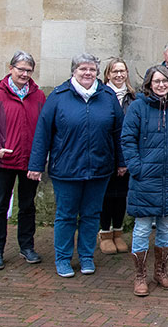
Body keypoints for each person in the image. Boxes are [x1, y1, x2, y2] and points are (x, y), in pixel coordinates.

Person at [28, 53, 124, 278]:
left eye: (92, 69)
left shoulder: (107, 96)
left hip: (99, 168)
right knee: (66, 215)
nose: (88, 73)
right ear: (74, 71)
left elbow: (119, 133)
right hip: (66, 169)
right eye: (83, 69)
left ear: (98, 72)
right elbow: (43, 132)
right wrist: (36, 164)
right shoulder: (59, 96)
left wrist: (122, 161)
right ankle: (62, 258)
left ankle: (87, 257)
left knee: (91, 215)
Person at [121, 66, 168, 296]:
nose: (161, 85)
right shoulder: (138, 107)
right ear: (149, 84)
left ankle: (161, 271)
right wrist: (136, 167)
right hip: (146, 178)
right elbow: (128, 140)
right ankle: (140, 275)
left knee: (165, 228)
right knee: (142, 229)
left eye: (165, 81)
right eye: (156, 81)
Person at [0, 51, 46, 270]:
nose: (24, 74)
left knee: (27, 207)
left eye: (28, 70)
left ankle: (27, 247)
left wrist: (39, 158)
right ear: (11, 68)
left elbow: (44, 130)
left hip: (29, 162)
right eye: (21, 69)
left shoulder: (39, 96)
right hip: (2, 162)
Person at [98, 58, 136, 255]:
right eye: (115, 71)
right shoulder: (101, 94)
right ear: (108, 74)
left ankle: (118, 232)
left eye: (122, 71)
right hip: (105, 152)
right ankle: (105, 232)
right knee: (106, 195)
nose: (119, 75)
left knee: (121, 195)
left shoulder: (133, 97)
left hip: (127, 153)